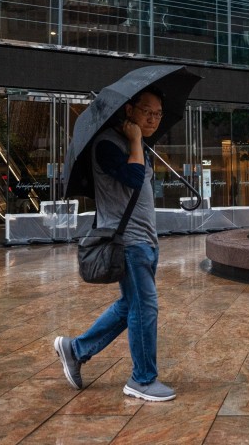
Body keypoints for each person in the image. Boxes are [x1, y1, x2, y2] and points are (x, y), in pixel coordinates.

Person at [54, 86, 175, 401]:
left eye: (158, 114)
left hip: (146, 240)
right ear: (129, 110)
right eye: (147, 111)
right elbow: (133, 180)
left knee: (129, 306)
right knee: (144, 308)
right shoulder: (108, 143)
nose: (153, 119)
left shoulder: (140, 147)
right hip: (129, 242)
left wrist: (138, 143)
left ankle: (75, 349)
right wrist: (135, 140)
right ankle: (142, 380)